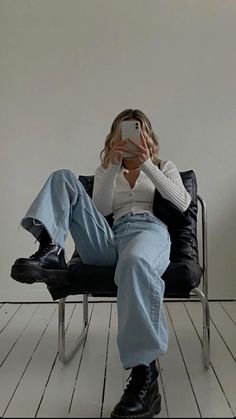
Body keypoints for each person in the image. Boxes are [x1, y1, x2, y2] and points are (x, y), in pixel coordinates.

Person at [11, 108, 191, 418]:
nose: (132, 137)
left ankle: (143, 375)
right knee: (63, 176)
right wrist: (112, 167)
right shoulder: (108, 170)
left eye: (138, 131)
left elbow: (182, 203)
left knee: (135, 262)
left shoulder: (163, 166)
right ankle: (50, 248)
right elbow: (101, 208)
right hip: (111, 236)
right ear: (114, 137)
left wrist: (146, 163)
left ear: (148, 136)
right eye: (125, 132)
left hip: (148, 232)